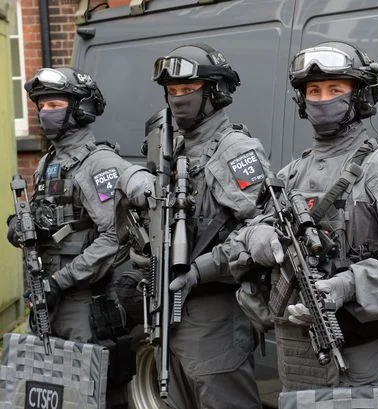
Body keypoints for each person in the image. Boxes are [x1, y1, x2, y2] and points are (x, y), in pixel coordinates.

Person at [218, 41, 378, 391]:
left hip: (360, 360)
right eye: (314, 90)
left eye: (335, 89)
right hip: (296, 360)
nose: (322, 99)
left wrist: (349, 285)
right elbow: (239, 236)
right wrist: (255, 239)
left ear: (359, 96)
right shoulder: (293, 172)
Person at [115, 44, 266, 409]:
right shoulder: (172, 149)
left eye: (189, 90)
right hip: (169, 321)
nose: (179, 99)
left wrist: (202, 269)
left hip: (216, 323)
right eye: (173, 92)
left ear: (215, 91)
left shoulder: (235, 151)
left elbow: (260, 233)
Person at [7, 66, 134, 408]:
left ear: (81, 108)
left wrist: (60, 282)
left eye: (54, 104)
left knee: (90, 395)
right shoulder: (47, 162)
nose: (45, 113)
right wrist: (18, 227)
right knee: (50, 392)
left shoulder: (99, 164)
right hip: (48, 300)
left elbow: (113, 238)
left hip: (84, 304)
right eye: (42, 106)